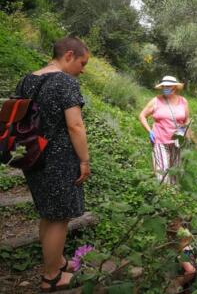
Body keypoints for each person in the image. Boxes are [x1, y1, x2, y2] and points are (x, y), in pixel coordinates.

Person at [15, 37, 90, 292]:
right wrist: (84, 160)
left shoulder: (27, 80)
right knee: (59, 218)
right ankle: (51, 277)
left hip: (32, 156)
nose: (83, 69)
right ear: (68, 55)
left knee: (48, 214)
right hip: (59, 160)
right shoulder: (66, 82)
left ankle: (56, 261)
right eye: (82, 62)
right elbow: (75, 125)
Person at [139, 76, 189, 184]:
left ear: (175, 87)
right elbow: (142, 116)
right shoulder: (156, 101)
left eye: (168, 86)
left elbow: (186, 120)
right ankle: (163, 194)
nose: (165, 88)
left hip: (177, 142)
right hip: (160, 141)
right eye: (164, 86)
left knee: (175, 173)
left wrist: (184, 134)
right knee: (162, 175)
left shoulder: (183, 101)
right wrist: (149, 131)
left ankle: (173, 196)